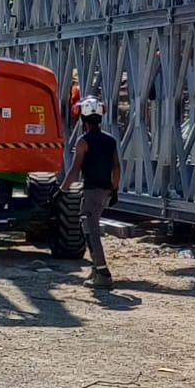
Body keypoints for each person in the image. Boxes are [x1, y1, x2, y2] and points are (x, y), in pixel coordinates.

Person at [68, 95, 120, 286]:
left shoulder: (83, 142)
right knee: (91, 227)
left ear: (83, 118)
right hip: (105, 190)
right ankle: (94, 271)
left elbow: (74, 171)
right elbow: (116, 167)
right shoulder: (110, 140)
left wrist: (61, 191)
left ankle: (102, 274)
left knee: (91, 231)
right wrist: (115, 189)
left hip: (91, 191)